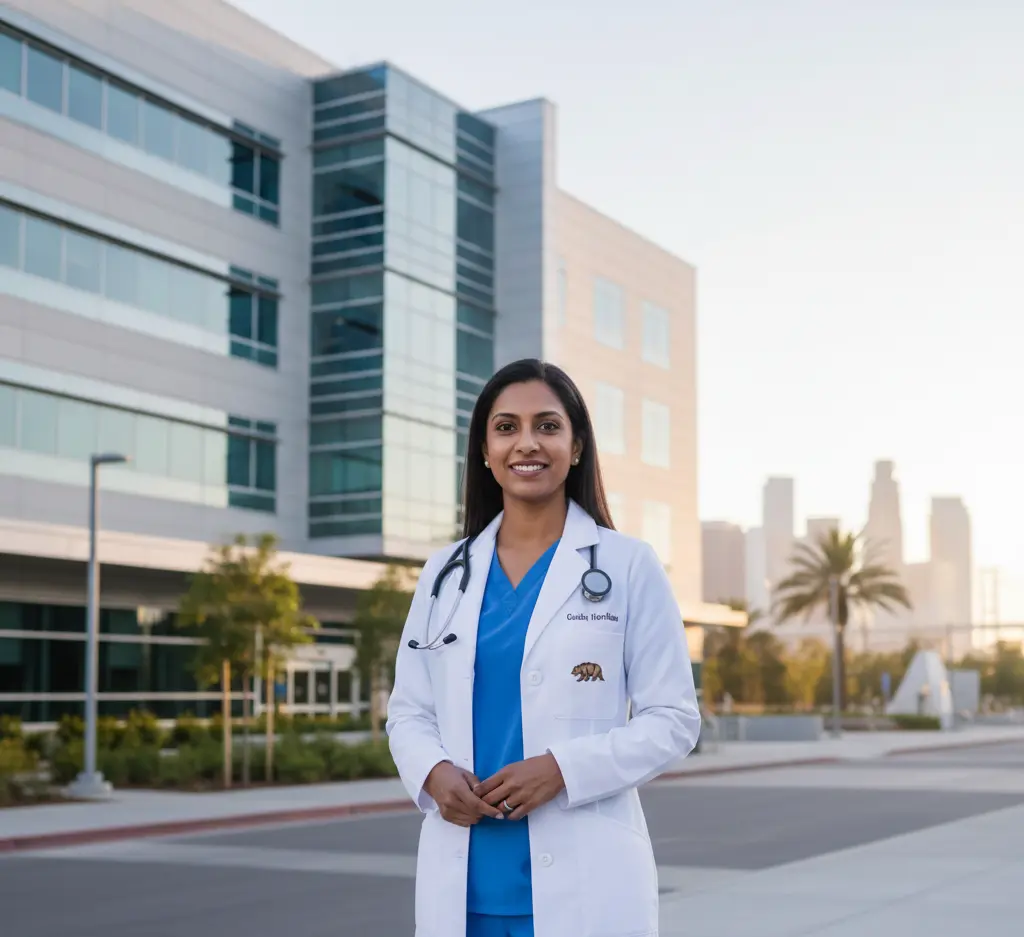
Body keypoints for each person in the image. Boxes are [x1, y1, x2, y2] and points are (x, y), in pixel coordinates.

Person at [386, 358, 701, 937]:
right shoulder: (443, 574)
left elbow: (674, 720)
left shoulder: (628, 565)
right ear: (484, 450)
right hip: (465, 886)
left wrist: (562, 770)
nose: (526, 443)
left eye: (547, 426)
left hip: (588, 886)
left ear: (576, 446)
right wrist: (431, 772)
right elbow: (409, 710)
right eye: (506, 427)